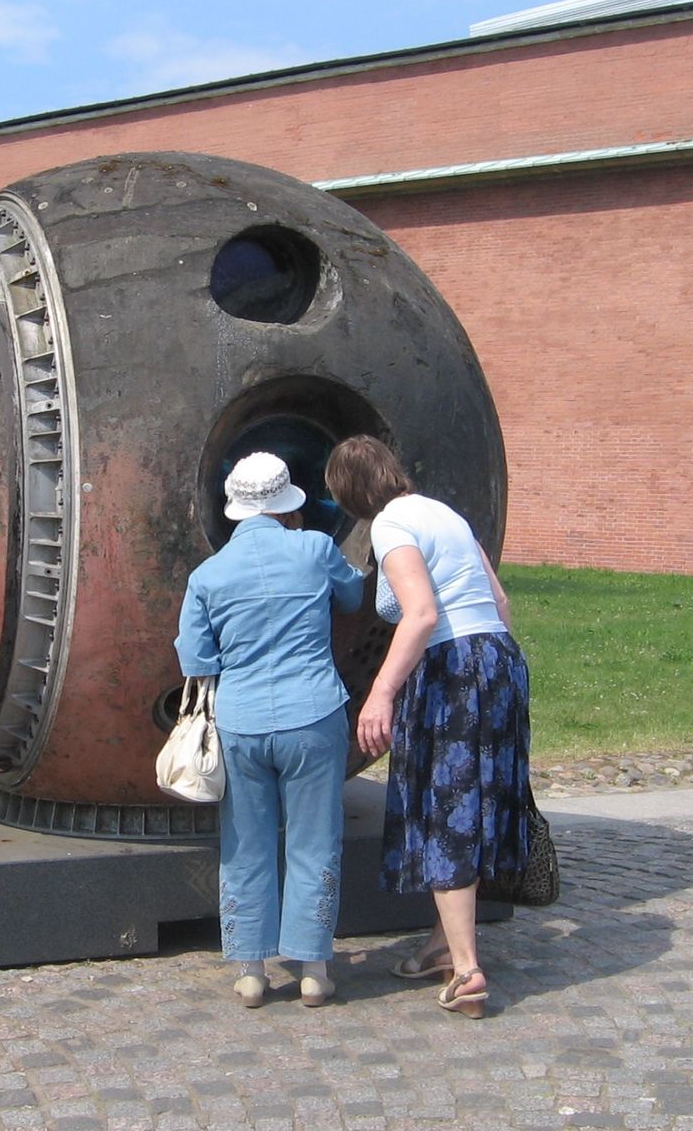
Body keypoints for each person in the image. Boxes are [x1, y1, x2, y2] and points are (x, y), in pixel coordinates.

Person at [323, 434, 531, 1019]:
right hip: (498, 657)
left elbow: (421, 613)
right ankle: (442, 946)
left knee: (449, 810)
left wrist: (379, 695)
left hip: (452, 667)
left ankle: (466, 970)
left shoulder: (390, 525)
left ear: (349, 492)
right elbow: (499, 599)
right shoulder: (446, 514)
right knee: (481, 799)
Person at [175, 452, 365, 1008]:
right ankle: (313, 968)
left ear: (234, 508)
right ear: (287, 503)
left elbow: (195, 658)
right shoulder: (314, 549)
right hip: (314, 713)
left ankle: (252, 969)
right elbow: (352, 597)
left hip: (242, 720)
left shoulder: (207, 575)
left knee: (245, 845)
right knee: (314, 841)